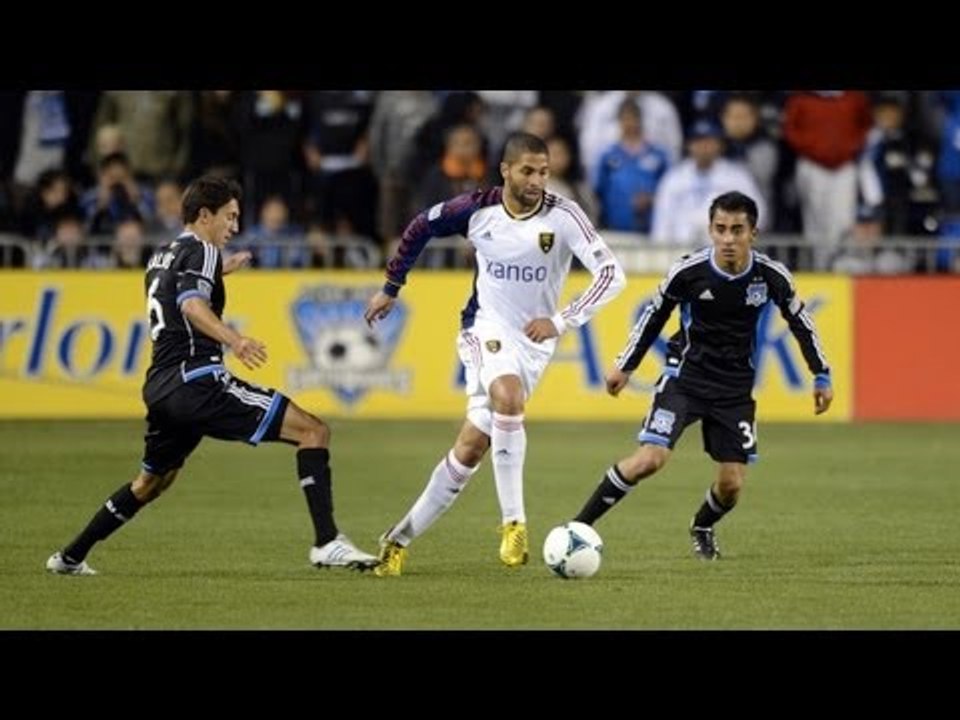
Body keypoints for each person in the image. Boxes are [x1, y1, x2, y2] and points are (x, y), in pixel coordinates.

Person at [46, 174, 378, 575]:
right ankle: (327, 542)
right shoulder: (202, 250)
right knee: (313, 431)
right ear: (205, 215)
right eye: (230, 217)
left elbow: (176, 289)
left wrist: (222, 270)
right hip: (199, 381)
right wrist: (234, 340)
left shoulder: (160, 256)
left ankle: (70, 557)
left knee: (149, 483)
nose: (235, 227)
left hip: (161, 388)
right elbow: (190, 304)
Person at [364, 132, 626, 576]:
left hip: (535, 344)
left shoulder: (564, 216)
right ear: (505, 169)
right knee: (508, 396)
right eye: (527, 171)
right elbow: (418, 227)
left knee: (470, 448)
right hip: (483, 327)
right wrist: (392, 287)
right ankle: (514, 523)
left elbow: (611, 275)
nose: (537, 181)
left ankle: (397, 540)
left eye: (543, 172)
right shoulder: (476, 210)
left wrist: (561, 321)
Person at [569, 190, 833, 560]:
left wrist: (820, 374)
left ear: (752, 233)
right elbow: (655, 315)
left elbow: (800, 321)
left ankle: (703, 526)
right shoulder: (688, 271)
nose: (728, 239)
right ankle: (579, 527)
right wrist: (626, 365)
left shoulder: (770, 276)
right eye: (721, 229)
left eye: (737, 230)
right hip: (685, 380)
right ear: (710, 230)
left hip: (735, 391)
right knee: (650, 459)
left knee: (731, 486)